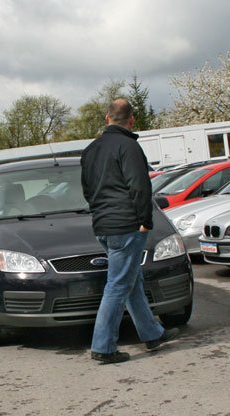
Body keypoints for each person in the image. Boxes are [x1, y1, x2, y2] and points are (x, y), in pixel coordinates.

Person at [80, 99, 179, 364]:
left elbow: (87, 190)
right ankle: (103, 347)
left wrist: (102, 213)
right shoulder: (129, 146)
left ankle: (152, 334)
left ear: (107, 118)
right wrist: (145, 220)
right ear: (132, 120)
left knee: (130, 280)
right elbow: (140, 187)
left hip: (103, 225)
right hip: (127, 226)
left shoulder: (90, 150)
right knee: (118, 284)